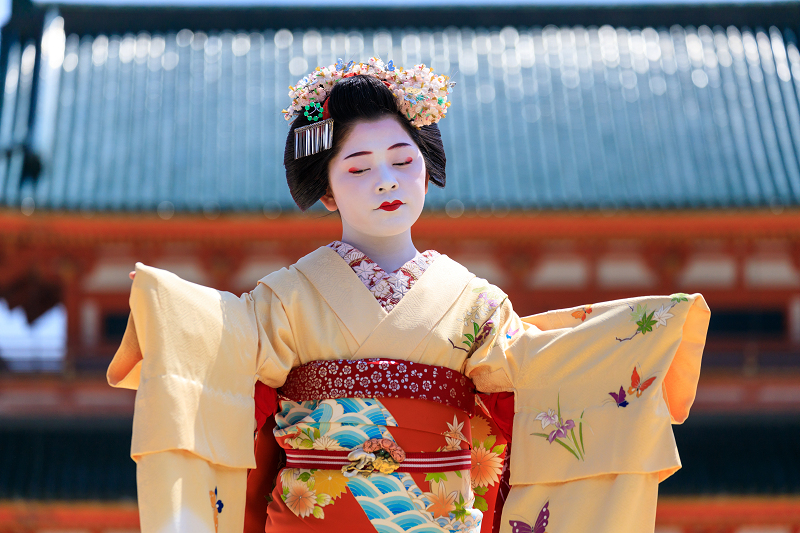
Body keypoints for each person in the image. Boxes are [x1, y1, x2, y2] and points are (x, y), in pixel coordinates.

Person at [108, 58, 710, 533]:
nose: (387, 181)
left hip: (438, 519)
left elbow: (534, 370)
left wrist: (641, 333)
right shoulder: (288, 295)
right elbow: (227, 347)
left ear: (428, 169)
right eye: (359, 167)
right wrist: (170, 306)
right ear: (328, 192)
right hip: (313, 519)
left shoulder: (474, 302)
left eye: (403, 159)